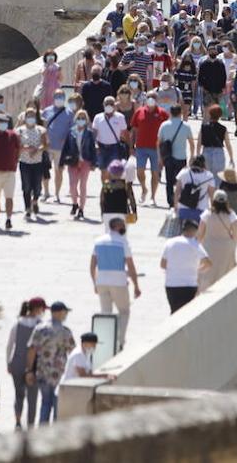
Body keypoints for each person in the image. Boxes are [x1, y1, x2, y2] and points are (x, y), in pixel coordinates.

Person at [90, 216, 141, 351]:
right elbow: (131, 266)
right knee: (124, 311)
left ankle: (105, 343)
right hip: (118, 281)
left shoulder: (98, 241)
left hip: (102, 281)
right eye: (123, 225)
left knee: (106, 313)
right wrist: (136, 285)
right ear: (117, 226)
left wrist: (95, 282)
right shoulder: (123, 242)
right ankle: (120, 341)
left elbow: (92, 265)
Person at [26, 300, 75, 424]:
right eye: (65, 312)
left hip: (43, 371)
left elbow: (32, 350)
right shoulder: (65, 331)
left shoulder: (40, 328)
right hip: (59, 373)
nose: (66, 315)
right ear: (59, 313)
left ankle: (42, 429)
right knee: (57, 402)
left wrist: (29, 370)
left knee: (45, 402)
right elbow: (72, 352)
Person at [5, 298, 45, 429]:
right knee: (32, 397)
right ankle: (30, 425)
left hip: (16, 363)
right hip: (33, 366)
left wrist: (8, 363)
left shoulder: (17, 325)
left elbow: (10, 346)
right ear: (37, 309)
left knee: (18, 395)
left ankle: (17, 422)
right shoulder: (40, 325)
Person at [160, 219, 211, 313]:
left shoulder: (170, 243)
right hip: (189, 284)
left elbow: (163, 264)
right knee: (187, 312)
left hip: (171, 284)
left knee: (174, 311)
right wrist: (197, 270)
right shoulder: (195, 245)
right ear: (194, 231)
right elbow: (207, 263)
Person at [129, 95, 168, 204]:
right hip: (141, 147)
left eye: (153, 98)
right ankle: (144, 189)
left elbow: (167, 131)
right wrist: (131, 146)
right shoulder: (139, 112)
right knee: (140, 171)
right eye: (149, 97)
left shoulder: (163, 113)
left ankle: (152, 197)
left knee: (155, 173)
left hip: (156, 148)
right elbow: (133, 130)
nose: (151, 99)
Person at [198, 190, 237, 290]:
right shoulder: (231, 215)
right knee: (224, 273)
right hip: (226, 247)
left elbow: (200, 234)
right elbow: (235, 235)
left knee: (208, 275)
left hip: (209, 247)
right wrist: (233, 248)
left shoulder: (207, 214)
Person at [156, 104, 193, 209]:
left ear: (170, 113)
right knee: (181, 181)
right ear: (180, 113)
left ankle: (171, 201)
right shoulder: (186, 126)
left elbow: (158, 142)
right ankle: (180, 199)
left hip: (168, 157)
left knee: (169, 180)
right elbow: (191, 143)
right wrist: (192, 156)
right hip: (181, 157)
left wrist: (159, 157)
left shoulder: (164, 125)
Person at [61, 109, 96, 219]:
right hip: (73, 161)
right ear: (76, 119)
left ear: (86, 120)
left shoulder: (89, 133)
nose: (81, 120)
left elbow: (92, 149)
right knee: (72, 185)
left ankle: (81, 208)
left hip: (85, 161)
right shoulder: (71, 131)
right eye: (79, 118)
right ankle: (74, 203)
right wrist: (61, 162)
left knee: (83, 186)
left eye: (83, 118)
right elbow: (65, 147)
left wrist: (94, 163)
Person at [16, 108, 48, 221]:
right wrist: (25, 148)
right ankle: (27, 208)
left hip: (37, 162)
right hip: (24, 162)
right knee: (26, 186)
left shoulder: (41, 130)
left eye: (32, 116)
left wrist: (37, 150)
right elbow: (17, 146)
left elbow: (45, 145)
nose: (30, 118)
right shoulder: (19, 130)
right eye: (28, 116)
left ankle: (35, 201)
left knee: (37, 186)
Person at [43, 90, 75, 203]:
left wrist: (67, 141)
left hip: (61, 148)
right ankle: (46, 192)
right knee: (44, 170)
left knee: (59, 171)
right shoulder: (46, 111)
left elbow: (73, 130)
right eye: (57, 96)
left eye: (61, 96)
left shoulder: (69, 113)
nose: (59, 98)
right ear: (53, 97)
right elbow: (42, 127)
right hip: (47, 146)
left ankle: (57, 193)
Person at [173, 154, 215, 226]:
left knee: (183, 234)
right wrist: (213, 210)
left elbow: (177, 191)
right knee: (199, 235)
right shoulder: (209, 176)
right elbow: (212, 195)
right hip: (201, 210)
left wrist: (175, 206)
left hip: (184, 208)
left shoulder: (183, 173)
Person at [91, 97, 128, 178]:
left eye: (111, 104)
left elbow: (124, 133)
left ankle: (113, 189)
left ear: (115, 105)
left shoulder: (120, 117)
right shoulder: (98, 117)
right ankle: (105, 188)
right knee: (103, 170)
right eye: (107, 104)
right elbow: (94, 133)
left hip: (115, 147)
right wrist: (95, 144)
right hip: (101, 147)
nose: (109, 106)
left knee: (114, 170)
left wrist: (127, 147)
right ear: (103, 105)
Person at [197, 104, 234, 180]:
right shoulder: (223, 128)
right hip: (218, 152)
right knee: (218, 178)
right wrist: (231, 157)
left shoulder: (204, 127)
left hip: (206, 151)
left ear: (210, 114)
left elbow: (199, 143)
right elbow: (228, 144)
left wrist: (197, 155)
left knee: (205, 178)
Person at [99, 160, 137, 229]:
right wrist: (134, 211)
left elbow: (102, 200)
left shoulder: (106, 185)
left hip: (108, 212)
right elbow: (131, 199)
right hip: (122, 213)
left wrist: (102, 212)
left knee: (109, 230)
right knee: (122, 232)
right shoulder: (125, 185)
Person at [196, 43, 228, 114]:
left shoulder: (220, 64)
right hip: (207, 90)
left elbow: (223, 76)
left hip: (218, 90)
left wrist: (222, 87)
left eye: (213, 50)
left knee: (216, 108)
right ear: (208, 52)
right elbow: (200, 76)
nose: (212, 52)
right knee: (207, 107)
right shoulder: (204, 64)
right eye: (210, 50)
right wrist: (203, 87)